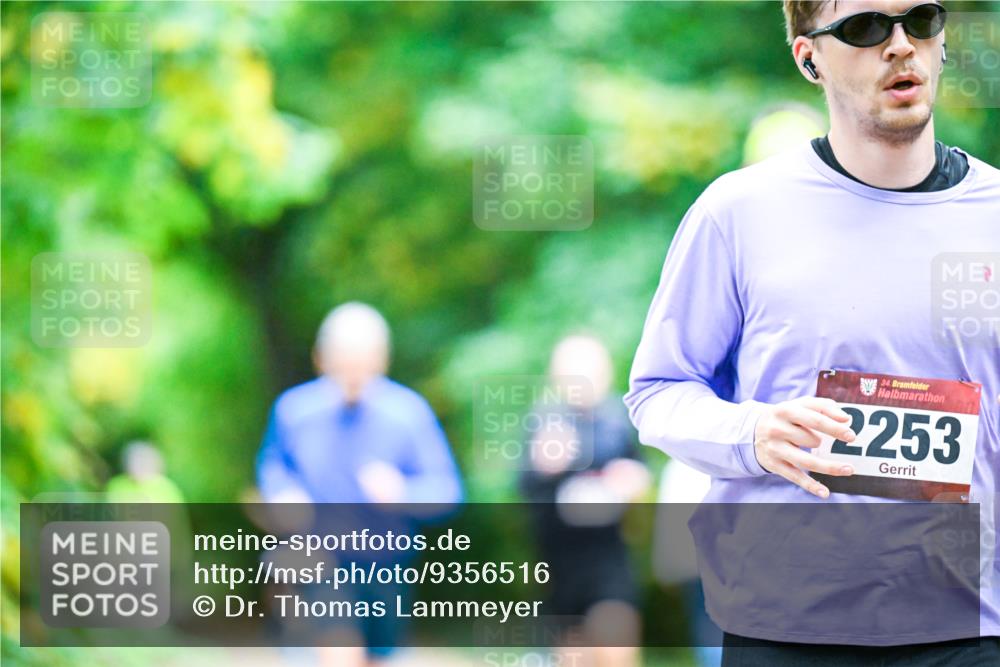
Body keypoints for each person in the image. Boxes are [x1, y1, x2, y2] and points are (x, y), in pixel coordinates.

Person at [624, 2, 999, 665]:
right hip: (786, 624)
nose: (900, 46)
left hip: (966, 621)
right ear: (809, 59)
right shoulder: (737, 213)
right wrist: (753, 433)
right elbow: (657, 391)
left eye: (921, 19)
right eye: (864, 28)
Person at [256, 301, 463, 667]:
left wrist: (403, 493)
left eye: (362, 361)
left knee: (379, 657)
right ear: (321, 358)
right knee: (338, 652)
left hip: (385, 563)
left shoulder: (409, 413)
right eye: (343, 360)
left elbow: (448, 491)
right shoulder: (293, 411)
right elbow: (273, 467)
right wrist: (283, 493)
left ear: (382, 360)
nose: (352, 372)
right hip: (320, 558)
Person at [520, 334, 651, 667]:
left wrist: (631, 481)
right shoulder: (542, 420)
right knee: (573, 653)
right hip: (559, 559)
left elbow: (640, 474)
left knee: (615, 639)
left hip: (608, 555)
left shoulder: (619, 419)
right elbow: (522, 487)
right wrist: (544, 468)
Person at [105, 440, 185, 503]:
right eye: (135, 461)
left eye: (143, 461)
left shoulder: (167, 489)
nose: (138, 466)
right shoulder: (116, 485)